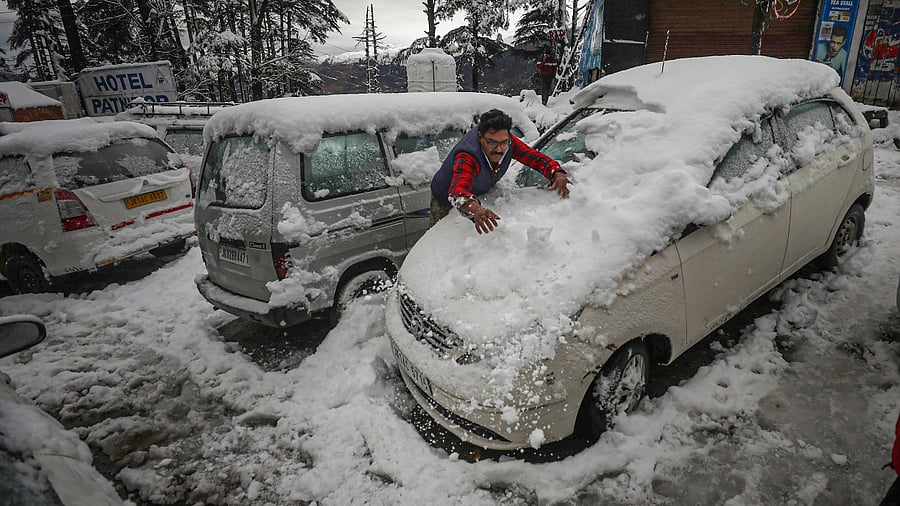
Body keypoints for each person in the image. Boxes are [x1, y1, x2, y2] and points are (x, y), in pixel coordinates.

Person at [430, 108, 569, 235]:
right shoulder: (468, 155)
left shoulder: (507, 142)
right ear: (480, 137)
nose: (499, 149)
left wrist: (556, 172)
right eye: (492, 143)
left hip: (478, 193)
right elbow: (458, 192)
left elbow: (533, 158)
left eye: (503, 143)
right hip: (445, 199)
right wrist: (475, 209)